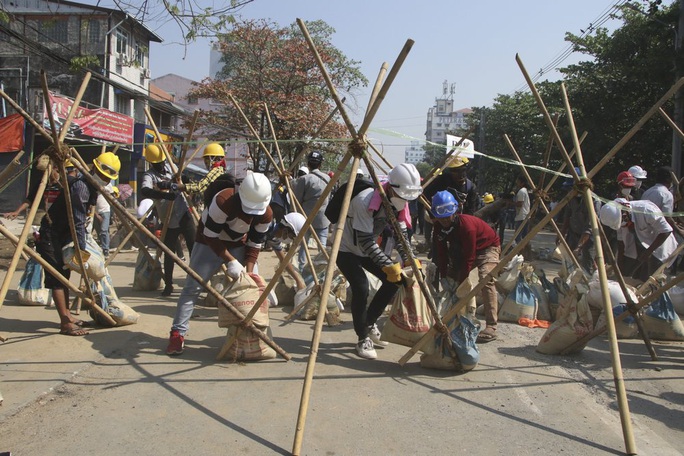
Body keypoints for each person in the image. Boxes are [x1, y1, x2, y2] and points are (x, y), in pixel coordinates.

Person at [166, 171, 273, 356]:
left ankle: (248, 337)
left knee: (251, 290)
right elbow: (211, 236)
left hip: (238, 243)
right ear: (240, 193)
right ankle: (177, 334)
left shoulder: (266, 214)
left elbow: (254, 245)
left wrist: (249, 274)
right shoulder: (223, 201)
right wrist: (230, 261)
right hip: (208, 242)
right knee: (192, 288)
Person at [336, 163, 422, 360]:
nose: (404, 201)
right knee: (361, 287)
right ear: (391, 187)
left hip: (367, 252)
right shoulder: (364, 200)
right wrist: (387, 264)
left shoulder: (400, 202)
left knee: (396, 280)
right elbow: (365, 240)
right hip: (346, 249)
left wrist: (410, 259)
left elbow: (401, 235)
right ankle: (362, 338)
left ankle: (369, 322)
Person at [35, 153, 120, 336]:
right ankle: (65, 323)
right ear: (95, 170)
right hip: (52, 233)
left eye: (108, 178)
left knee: (64, 276)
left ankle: (67, 316)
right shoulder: (82, 187)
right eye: (104, 176)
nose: (105, 180)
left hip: (63, 234)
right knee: (57, 278)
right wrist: (81, 248)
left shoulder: (91, 186)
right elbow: (78, 221)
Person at [431, 190, 501, 343]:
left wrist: (462, 282)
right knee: (451, 278)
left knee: (485, 279)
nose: (444, 220)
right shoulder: (438, 228)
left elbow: (469, 257)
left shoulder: (466, 226)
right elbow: (441, 254)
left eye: (447, 215)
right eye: (440, 217)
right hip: (463, 250)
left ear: (454, 211)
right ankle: (452, 314)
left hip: (487, 248)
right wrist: (444, 277)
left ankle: (491, 326)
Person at [140, 144, 196, 296]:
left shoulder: (172, 168)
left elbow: (185, 180)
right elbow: (145, 190)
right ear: (152, 163)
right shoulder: (149, 175)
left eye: (161, 162)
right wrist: (164, 194)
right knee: (169, 253)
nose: (160, 166)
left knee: (194, 249)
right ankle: (169, 284)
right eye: (157, 164)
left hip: (183, 213)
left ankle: (196, 282)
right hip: (168, 218)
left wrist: (180, 180)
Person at [599, 198, 678, 281]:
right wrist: (620, 268)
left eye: (624, 219)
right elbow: (621, 243)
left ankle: (655, 292)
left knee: (651, 279)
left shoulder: (646, 210)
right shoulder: (617, 220)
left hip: (659, 245)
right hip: (640, 244)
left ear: (625, 211)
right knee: (632, 275)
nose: (624, 222)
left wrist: (648, 252)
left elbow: (666, 231)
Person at [292, 150, 331, 272]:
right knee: (322, 246)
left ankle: (302, 269)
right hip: (323, 218)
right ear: (320, 165)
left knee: (303, 245)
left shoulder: (304, 179)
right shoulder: (328, 179)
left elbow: (297, 199)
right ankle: (323, 269)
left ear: (308, 164)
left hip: (306, 217)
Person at [558, 170, 597, 274]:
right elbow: (567, 216)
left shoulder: (593, 201)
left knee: (586, 264)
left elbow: (589, 227)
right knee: (568, 263)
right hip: (573, 233)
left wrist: (579, 247)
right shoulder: (571, 198)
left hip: (588, 238)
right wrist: (561, 234)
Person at [265, 211, 307, 290]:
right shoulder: (266, 226)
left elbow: (284, 261)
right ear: (285, 230)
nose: (290, 240)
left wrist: (298, 281)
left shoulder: (274, 239)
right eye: (291, 237)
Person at [94, 180, 114, 258]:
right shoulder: (94, 182)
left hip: (105, 210)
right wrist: (96, 214)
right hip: (95, 211)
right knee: (99, 231)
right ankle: (101, 248)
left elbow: (112, 198)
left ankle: (106, 249)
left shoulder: (108, 185)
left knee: (104, 230)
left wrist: (113, 213)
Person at [513, 175, 530, 252]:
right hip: (525, 215)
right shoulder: (525, 190)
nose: (516, 182)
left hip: (521, 216)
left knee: (518, 237)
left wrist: (511, 203)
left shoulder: (521, 191)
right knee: (524, 236)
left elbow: (520, 203)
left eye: (518, 181)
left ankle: (521, 252)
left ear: (521, 182)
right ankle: (525, 252)